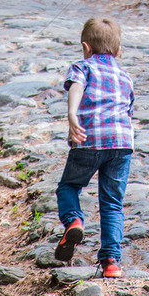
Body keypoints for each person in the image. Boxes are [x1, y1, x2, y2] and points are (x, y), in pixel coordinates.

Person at [54, 17, 135, 278]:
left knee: (68, 186)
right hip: (122, 143)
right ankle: (111, 262)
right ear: (118, 51)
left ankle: (74, 221)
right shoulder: (125, 77)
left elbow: (76, 86)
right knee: (112, 202)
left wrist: (72, 114)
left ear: (85, 47)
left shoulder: (83, 66)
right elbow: (129, 110)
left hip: (88, 140)